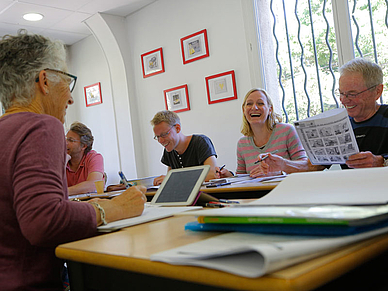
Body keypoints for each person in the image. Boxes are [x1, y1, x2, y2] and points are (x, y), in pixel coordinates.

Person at [0, 30, 146, 291]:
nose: (70, 97)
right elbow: (43, 221)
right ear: (44, 81)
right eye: (67, 81)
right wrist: (114, 208)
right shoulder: (42, 125)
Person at [221, 88, 308, 177]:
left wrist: (280, 171)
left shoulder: (287, 131)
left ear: (270, 109)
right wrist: (228, 176)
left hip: (285, 189)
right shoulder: (242, 143)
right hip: (256, 190)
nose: (254, 107)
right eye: (249, 104)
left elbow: (305, 166)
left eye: (260, 103)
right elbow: (241, 178)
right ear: (244, 110)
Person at [338, 58, 388, 168]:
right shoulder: (340, 125)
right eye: (341, 93)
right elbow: (312, 166)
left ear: (377, 91)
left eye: (352, 94)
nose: (344, 100)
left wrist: (382, 162)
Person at [151, 110, 220, 185]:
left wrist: (173, 179)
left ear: (177, 128)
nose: (160, 141)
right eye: (157, 137)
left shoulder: (201, 142)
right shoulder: (169, 150)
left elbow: (211, 175)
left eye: (164, 134)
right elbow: (171, 179)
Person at [66, 121, 104, 195]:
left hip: (90, 203)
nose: (65, 142)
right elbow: (51, 186)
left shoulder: (94, 157)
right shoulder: (62, 158)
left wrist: (63, 192)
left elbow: (93, 185)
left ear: (83, 146)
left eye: (70, 140)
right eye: (66, 139)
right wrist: (63, 161)